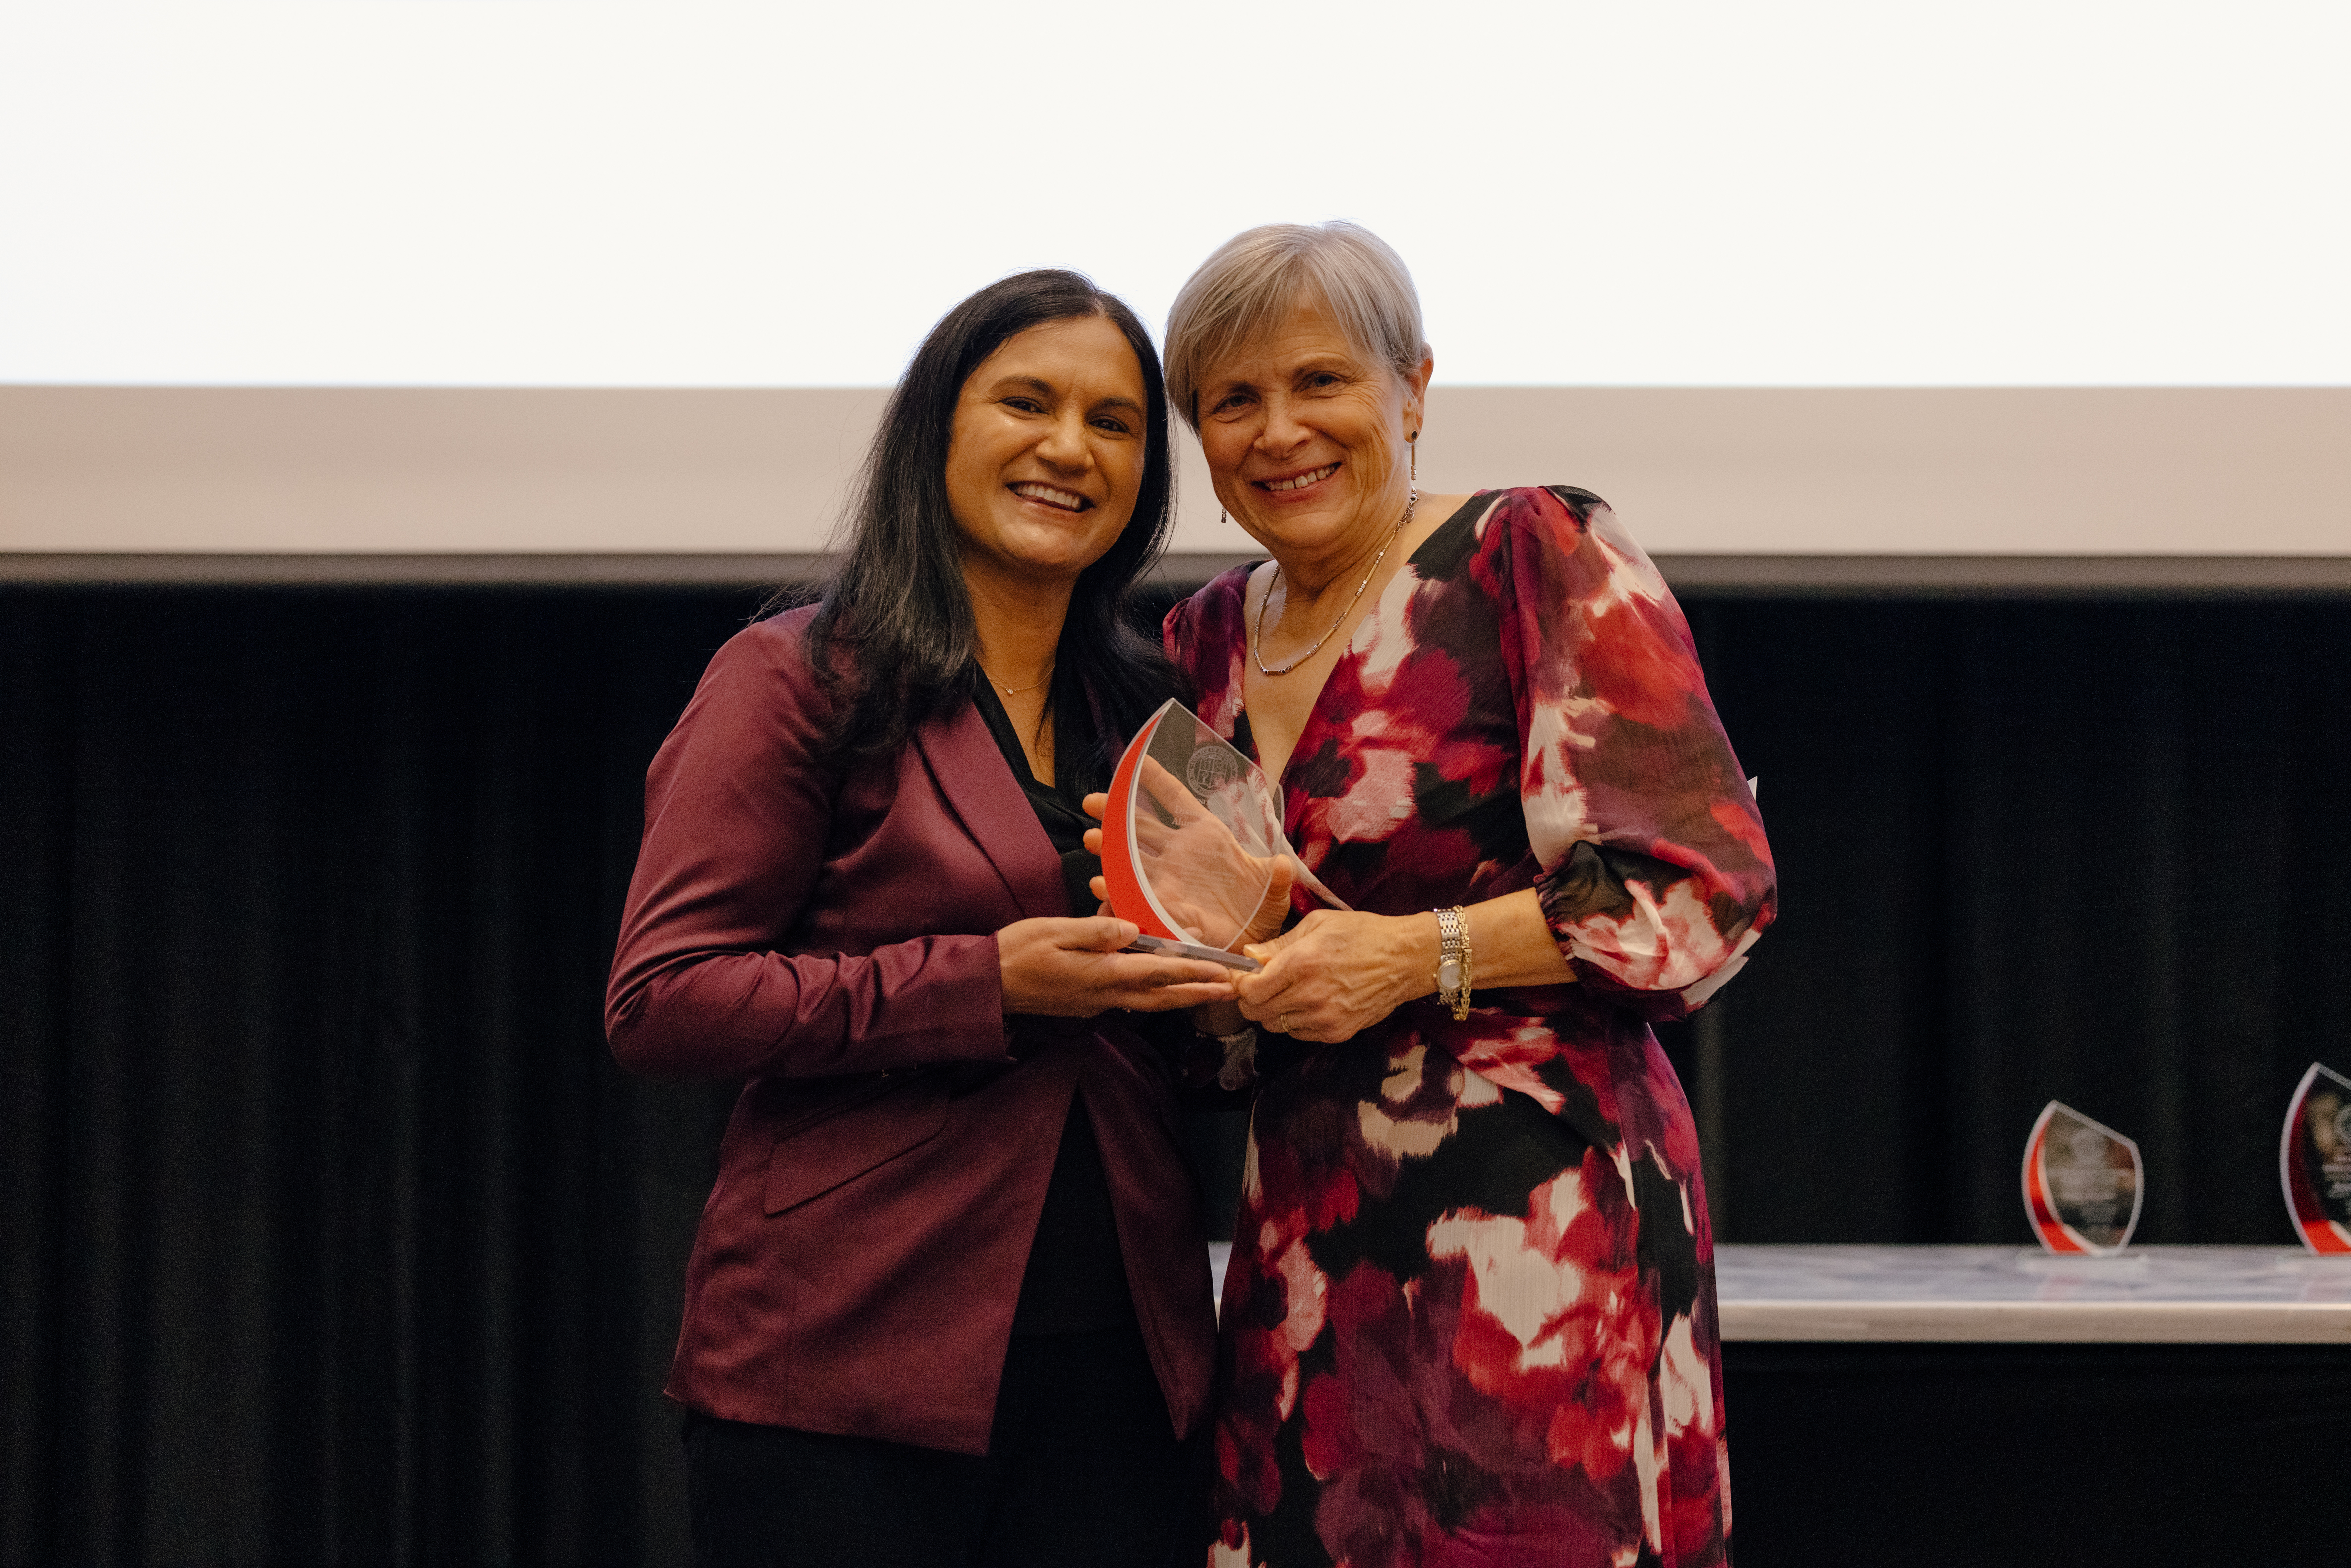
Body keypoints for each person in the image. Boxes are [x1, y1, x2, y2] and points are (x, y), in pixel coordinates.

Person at [1153, 223, 1776, 1568]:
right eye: (1232, 399)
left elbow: (1704, 882)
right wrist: (1218, 957)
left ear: (1413, 389)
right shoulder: (1202, 637)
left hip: (1536, 1217)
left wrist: (1414, 955)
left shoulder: (1525, 548)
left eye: (1319, 381)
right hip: (1308, 1235)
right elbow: (1225, 1019)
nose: (1279, 430)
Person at [605, 270, 1240, 1568]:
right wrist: (983, 984)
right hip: (843, 1374)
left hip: (1122, 1375)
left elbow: (1166, 1027)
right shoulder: (795, 678)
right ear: (938, 429)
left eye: (1113, 422)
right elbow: (663, 995)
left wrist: (1228, 998)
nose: (1069, 446)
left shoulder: (1159, 705)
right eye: (1027, 401)